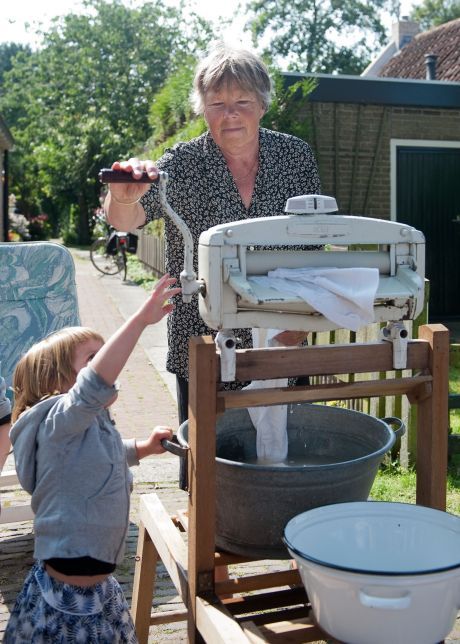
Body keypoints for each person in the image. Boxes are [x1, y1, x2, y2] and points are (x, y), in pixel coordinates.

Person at [104, 43, 321, 427]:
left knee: (287, 458)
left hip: (282, 336)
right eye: (217, 103)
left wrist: (300, 326)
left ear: (263, 104)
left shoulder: (295, 156)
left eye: (242, 100)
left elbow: (314, 245)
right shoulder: (182, 163)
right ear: (202, 109)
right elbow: (127, 219)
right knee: (209, 460)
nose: (231, 114)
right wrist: (121, 196)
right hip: (205, 340)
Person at [4, 273, 181, 643]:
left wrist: (142, 448)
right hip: (66, 599)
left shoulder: (83, 426)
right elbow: (93, 387)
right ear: (58, 382)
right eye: (93, 358)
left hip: (100, 587)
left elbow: (98, 459)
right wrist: (139, 321)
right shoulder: (56, 423)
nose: (105, 367)